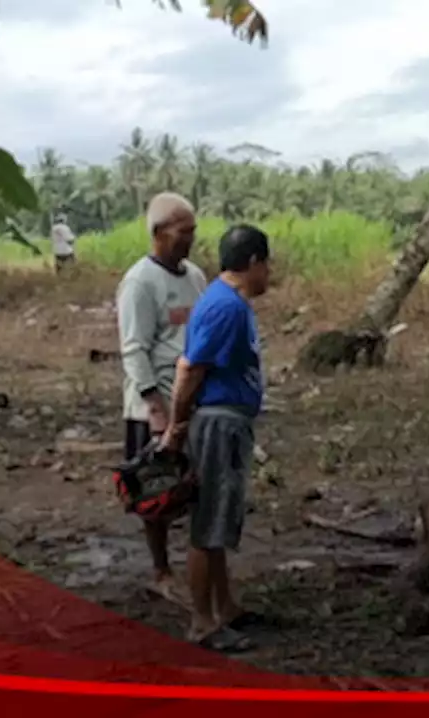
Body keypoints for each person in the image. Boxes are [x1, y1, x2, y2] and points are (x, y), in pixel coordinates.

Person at [161, 223, 271, 652]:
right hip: (217, 424)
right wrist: (176, 426)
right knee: (209, 523)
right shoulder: (225, 307)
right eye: (267, 266)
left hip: (227, 421)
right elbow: (189, 369)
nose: (269, 275)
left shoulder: (227, 302)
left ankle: (224, 607)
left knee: (220, 519)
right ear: (254, 263)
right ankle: (202, 621)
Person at [115, 192, 207, 607]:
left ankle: (195, 566)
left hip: (194, 397)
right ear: (158, 233)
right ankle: (161, 570)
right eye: (182, 231)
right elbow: (134, 348)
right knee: (156, 488)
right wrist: (157, 407)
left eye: (193, 231)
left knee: (192, 485)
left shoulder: (196, 277)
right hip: (155, 403)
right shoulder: (140, 282)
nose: (190, 239)